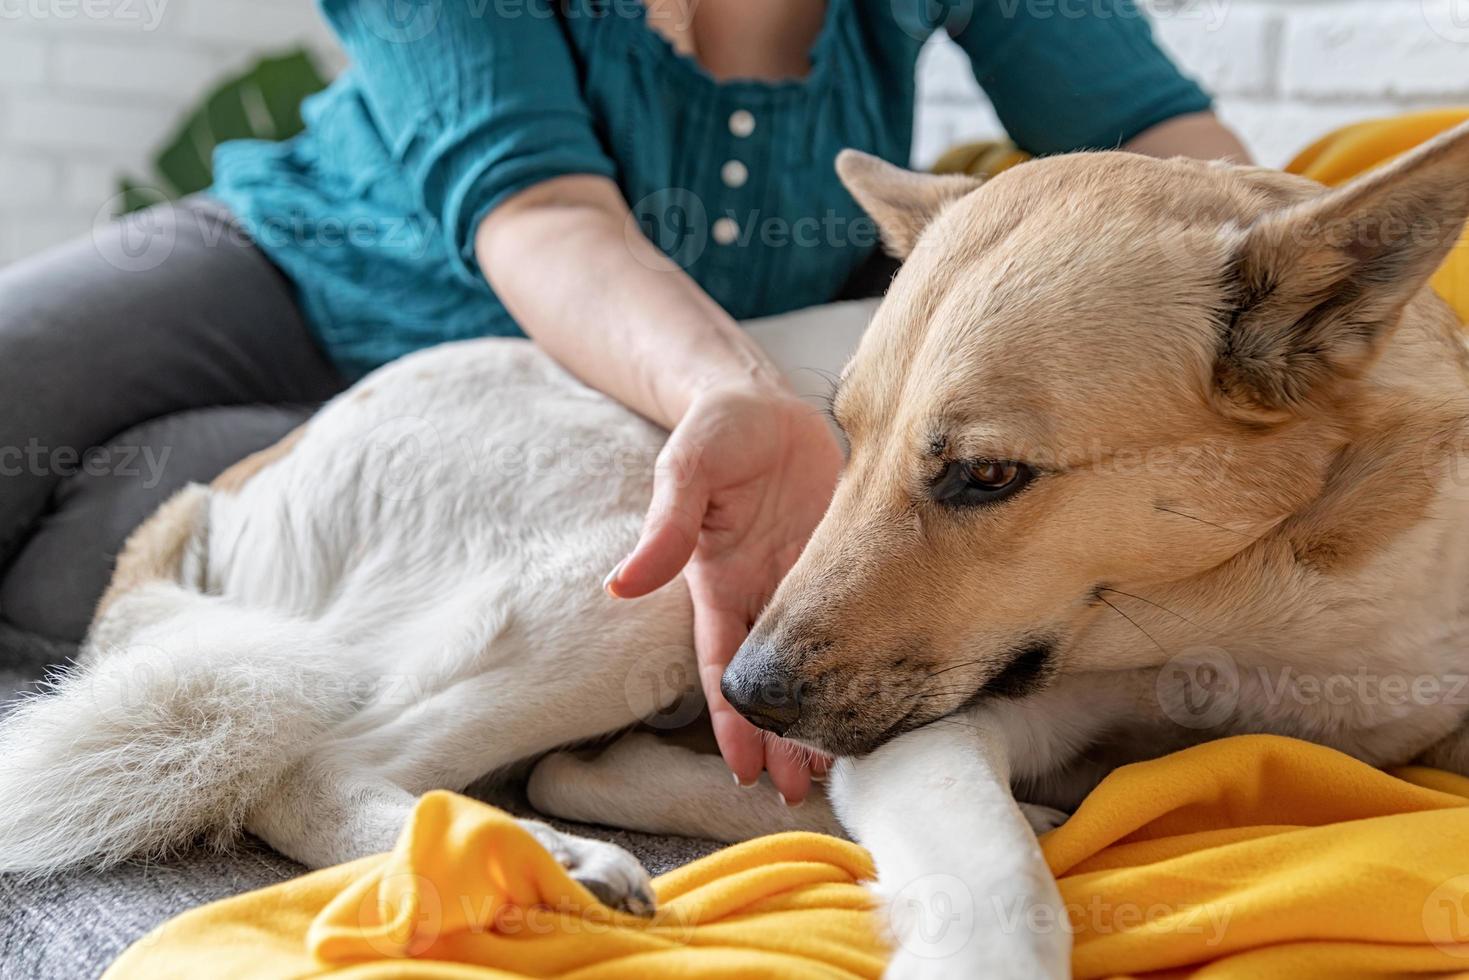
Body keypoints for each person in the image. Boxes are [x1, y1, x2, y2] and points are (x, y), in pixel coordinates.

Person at [0, 0, 1248, 806]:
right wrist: (736, 392)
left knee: (95, 557)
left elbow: (1185, 165)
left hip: (554, 397)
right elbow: (537, 209)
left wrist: (1343, 297)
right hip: (308, 263)